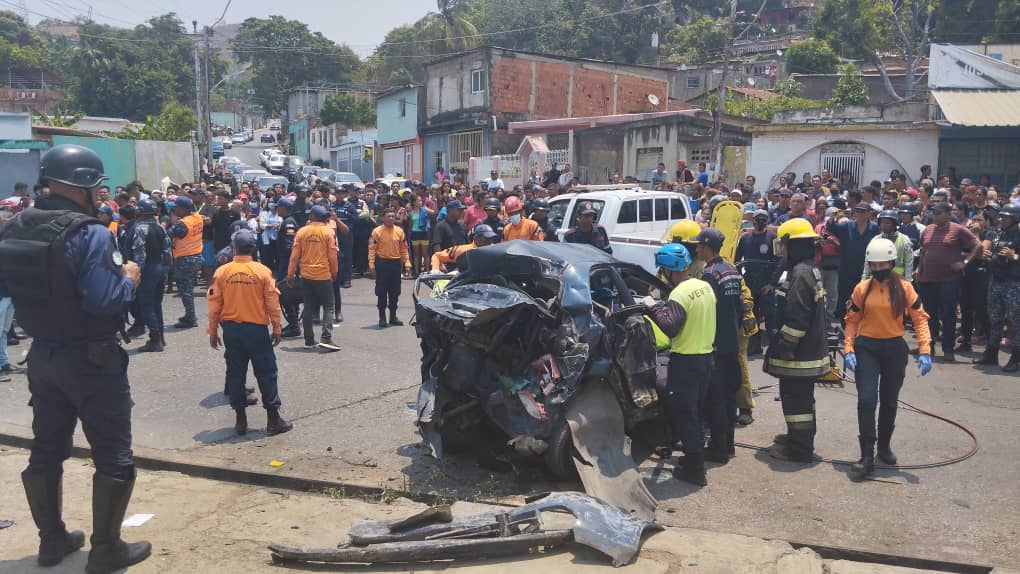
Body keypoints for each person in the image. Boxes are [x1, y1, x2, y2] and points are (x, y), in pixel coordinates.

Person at [0, 144, 151, 572]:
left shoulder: (14, 228)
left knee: (46, 450)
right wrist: (130, 278)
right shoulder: (91, 233)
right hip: (93, 359)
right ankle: (106, 549)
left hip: (42, 357)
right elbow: (105, 300)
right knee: (113, 454)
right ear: (84, 185)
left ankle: (52, 542)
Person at [843, 238, 932, 479]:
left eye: (883, 265)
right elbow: (851, 320)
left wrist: (925, 350)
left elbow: (920, 318)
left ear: (892, 263)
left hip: (894, 348)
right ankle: (866, 454)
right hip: (867, 348)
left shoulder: (905, 288)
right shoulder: (862, 289)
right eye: (874, 265)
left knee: (890, 401)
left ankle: (884, 447)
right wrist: (849, 348)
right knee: (867, 399)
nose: (879, 270)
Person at [207, 229, 293, 437]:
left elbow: (214, 303)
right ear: (254, 248)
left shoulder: (222, 272)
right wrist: (277, 327)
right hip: (256, 330)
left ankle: (240, 421)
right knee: (266, 373)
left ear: (234, 248)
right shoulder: (262, 271)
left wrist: (212, 331)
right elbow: (273, 303)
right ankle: (273, 419)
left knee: (236, 373)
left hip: (232, 331)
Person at [643, 243, 717, 486]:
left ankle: (695, 471)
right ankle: (693, 458)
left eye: (662, 271)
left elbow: (671, 326)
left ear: (668, 271)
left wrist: (653, 307)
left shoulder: (679, 294)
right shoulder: (704, 286)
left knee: (686, 416)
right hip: (706, 359)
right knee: (695, 412)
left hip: (686, 362)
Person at [766, 219, 830, 462]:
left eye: (784, 245)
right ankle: (797, 436)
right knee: (801, 401)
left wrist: (785, 346)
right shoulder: (806, 268)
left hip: (799, 356)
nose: (781, 251)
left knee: (796, 403)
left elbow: (797, 318)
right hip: (807, 352)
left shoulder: (801, 274)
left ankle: (799, 449)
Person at [691, 228, 743, 464]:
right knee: (730, 395)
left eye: (699, 245)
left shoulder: (710, 274)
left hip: (716, 345)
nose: (696, 249)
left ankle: (719, 449)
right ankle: (729, 445)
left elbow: (707, 311)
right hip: (732, 341)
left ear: (707, 247)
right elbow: (739, 308)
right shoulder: (731, 270)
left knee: (717, 398)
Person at [914, 202, 981, 362]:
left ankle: (948, 348)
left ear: (948, 214)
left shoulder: (958, 230)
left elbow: (977, 246)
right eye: (934, 213)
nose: (935, 216)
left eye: (938, 213)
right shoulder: (928, 229)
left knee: (948, 314)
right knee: (928, 315)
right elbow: (924, 251)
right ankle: (927, 346)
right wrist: (919, 269)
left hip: (949, 280)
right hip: (928, 278)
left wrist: (964, 263)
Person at [974, 203, 1020, 370]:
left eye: (1006, 217)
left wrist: (1014, 256)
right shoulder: (999, 232)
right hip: (996, 279)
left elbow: (1012, 256)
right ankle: (991, 353)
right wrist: (989, 255)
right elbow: (995, 252)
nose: (1002, 219)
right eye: (1001, 216)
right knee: (995, 318)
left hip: (1014, 282)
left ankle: (1016, 357)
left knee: (1016, 320)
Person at [287, 205, 339, 349]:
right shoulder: (328, 232)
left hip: (307, 275)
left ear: (313, 217)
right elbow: (332, 256)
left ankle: (309, 340)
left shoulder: (302, 232)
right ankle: (326, 338)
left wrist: (290, 274)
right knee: (328, 307)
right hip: (323, 275)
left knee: (308, 307)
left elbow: (294, 256)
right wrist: (334, 272)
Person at [131, 198, 171, 352]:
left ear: (139, 212)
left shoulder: (139, 229)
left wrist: (137, 272)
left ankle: (155, 339)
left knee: (146, 304)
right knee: (156, 303)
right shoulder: (160, 228)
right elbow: (167, 251)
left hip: (147, 269)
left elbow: (140, 254)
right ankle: (160, 335)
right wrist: (167, 269)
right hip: (160, 267)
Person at [827, 204, 880, 319]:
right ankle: (844, 322)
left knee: (864, 296)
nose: (859, 213)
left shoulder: (875, 228)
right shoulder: (847, 226)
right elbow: (831, 228)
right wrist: (833, 217)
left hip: (866, 269)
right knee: (845, 296)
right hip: (847, 268)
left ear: (869, 213)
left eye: (862, 211)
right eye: (857, 211)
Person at [735, 209, 777, 351]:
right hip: (750, 281)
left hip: (766, 282)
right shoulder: (745, 238)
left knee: (771, 316)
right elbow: (737, 260)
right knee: (751, 314)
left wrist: (772, 282)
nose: (760, 221)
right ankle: (754, 345)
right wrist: (741, 280)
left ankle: (774, 348)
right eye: (758, 218)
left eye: (764, 219)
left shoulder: (773, 237)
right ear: (752, 220)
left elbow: (780, 261)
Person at [369, 209, 411, 328]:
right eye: (388, 216)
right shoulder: (376, 232)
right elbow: (372, 249)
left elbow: (404, 249)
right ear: (382, 218)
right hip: (382, 264)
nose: (391, 218)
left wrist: (407, 263)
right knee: (381, 292)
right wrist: (371, 265)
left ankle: (393, 317)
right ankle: (382, 317)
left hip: (395, 264)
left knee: (395, 292)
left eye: (393, 216)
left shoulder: (399, 231)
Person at [168, 196, 204, 329]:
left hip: (185, 259)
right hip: (196, 256)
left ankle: (191, 318)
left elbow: (167, 235)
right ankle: (190, 315)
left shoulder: (182, 224)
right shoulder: (197, 218)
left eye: (176, 207)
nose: (173, 209)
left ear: (183, 209)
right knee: (188, 288)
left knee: (185, 290)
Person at [274, 198, 302, 338]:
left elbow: (290, 246)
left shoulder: (289, 222)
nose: (277, 209)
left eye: (278, 207)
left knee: (286, 294)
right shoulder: (286, 221)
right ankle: (293, 324)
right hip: (285, 263)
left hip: (288, 264)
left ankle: (294, 326)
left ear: (284, 208)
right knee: (289, 295)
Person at [862, 210, 914, 282]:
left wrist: (908, 281)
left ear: (894, 224)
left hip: (897, 280)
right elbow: (867, 262)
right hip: (877, 279)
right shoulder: (875, 240)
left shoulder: (904, 240)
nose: (883, 225)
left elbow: (909, 263)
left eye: (887, 223)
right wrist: (864, 280)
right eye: (882, 222)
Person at [431, 223, 498, 272]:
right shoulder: (462, 251)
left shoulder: (495, 251)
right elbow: (436, 256)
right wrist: (435, 270)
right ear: (476, 238)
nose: (490, 241)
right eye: (486, 238)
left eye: (491, 238)